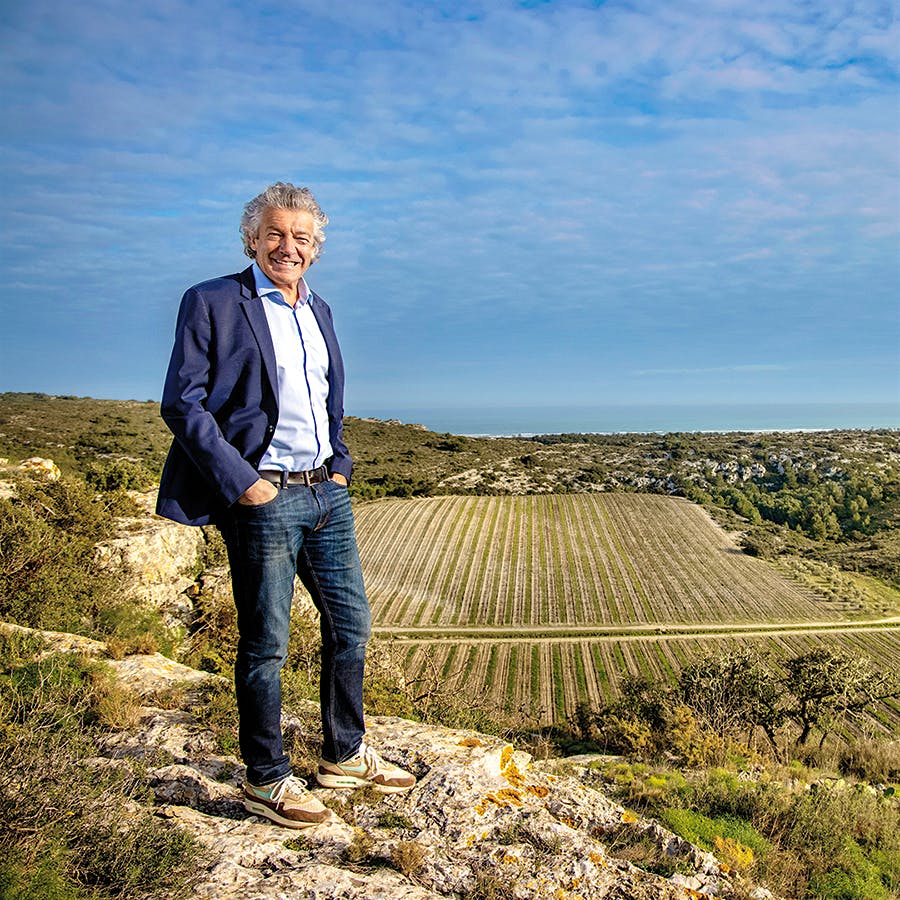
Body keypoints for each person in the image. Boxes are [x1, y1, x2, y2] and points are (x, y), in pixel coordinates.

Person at [157, 182, 415, 828]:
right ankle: (266, 777)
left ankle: (344, 754)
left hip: (326, 492)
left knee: (351, 625)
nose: (287, 247)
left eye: (301, 238)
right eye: (275, 234)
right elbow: (181, 403)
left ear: (317, 249)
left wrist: (342, 467)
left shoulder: (319, 310)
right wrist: (242, 481)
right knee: (266, 643)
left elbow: (328, 398)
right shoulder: (213, 302)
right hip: (264, 496)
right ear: (252, 239)